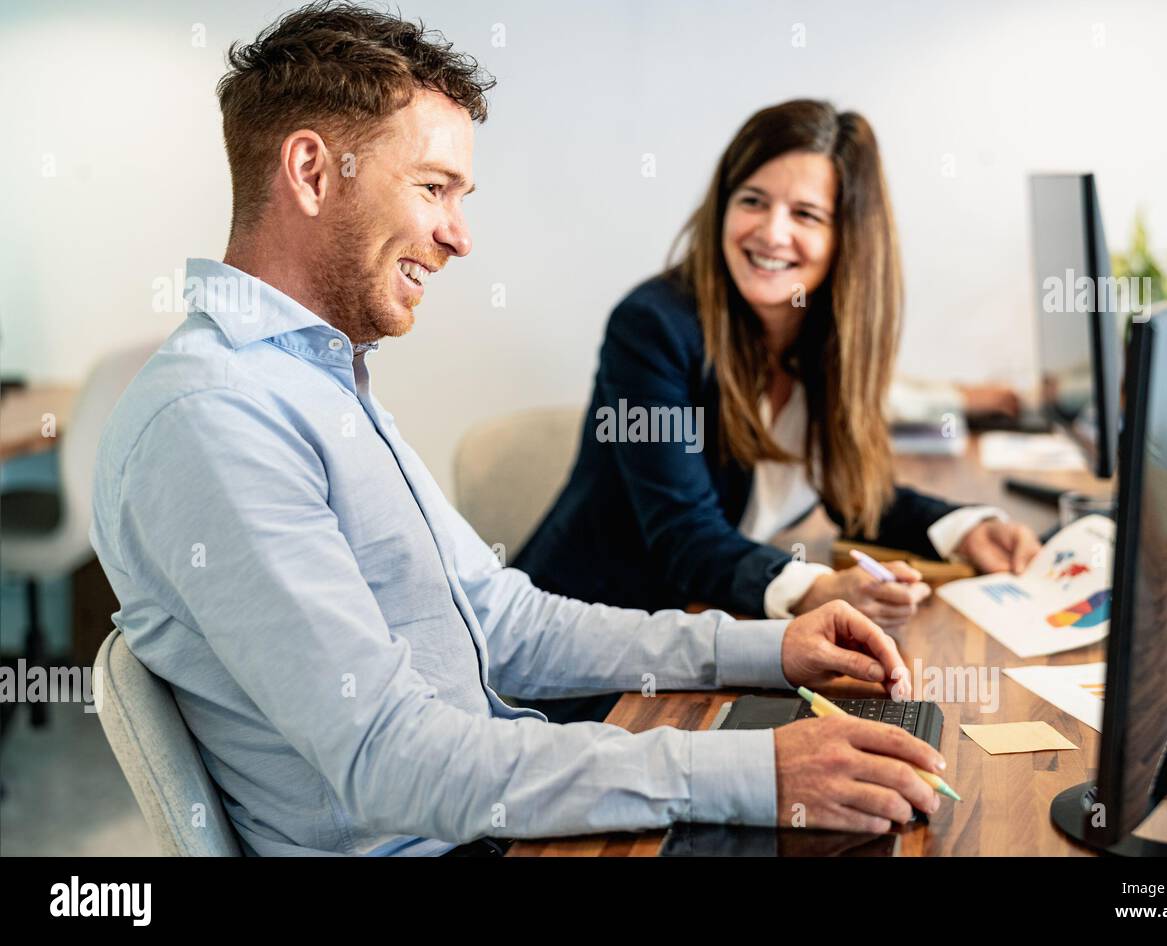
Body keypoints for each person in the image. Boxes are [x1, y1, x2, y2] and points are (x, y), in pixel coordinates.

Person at [89, 3, 946, 855]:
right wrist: (750, 771)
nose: (459, 237)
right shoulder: (214, 419)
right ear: (313, 172)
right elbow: (390, 759)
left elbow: (504, 621)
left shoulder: (317, 377)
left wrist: (770, 650)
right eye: (433, 188)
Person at [515, 100, 1041, 720]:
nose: (771, 233)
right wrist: (813, 587)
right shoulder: (654, 326)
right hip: (586, 662)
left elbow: (854, 489)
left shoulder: (824, 337)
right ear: (722, 207)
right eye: (753, 200)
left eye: (806, 214)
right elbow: (685, 537)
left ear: (848, 237)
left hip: (699, 633)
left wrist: (965, 528)